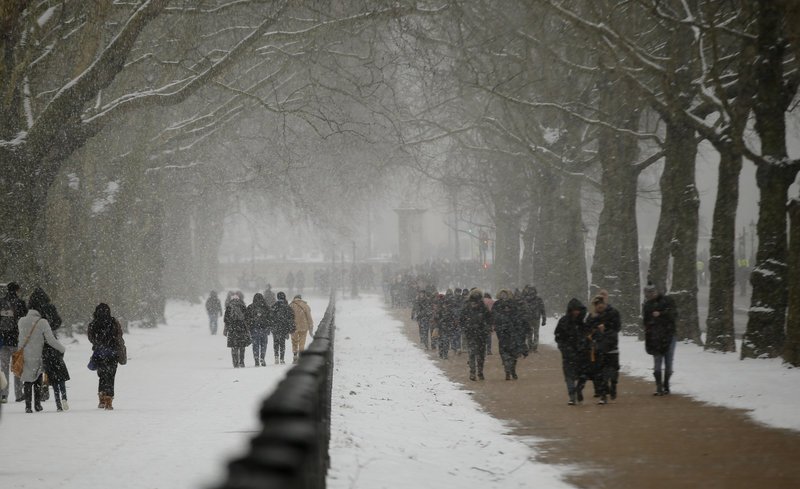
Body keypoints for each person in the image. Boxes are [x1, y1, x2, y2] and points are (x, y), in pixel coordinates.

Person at [17, 291, 66, 413]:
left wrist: (19, 352)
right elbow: (51, 340)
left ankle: (28, 406)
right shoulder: (42, 322)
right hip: (39, 354)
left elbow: (20, 339)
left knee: (27, 380)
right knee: (38, 378)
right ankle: (37, 404)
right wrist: (62, 348)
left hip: (25, 354)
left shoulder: (21, 321)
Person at [34, 287, 71, 411]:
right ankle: (59, 393)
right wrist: (51, 328)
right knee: (54, 363)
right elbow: (58, 321)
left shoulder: (33, 310)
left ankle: (40, 391)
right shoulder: (50, 307)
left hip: (37, 339)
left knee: (40, 365)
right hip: (51, 338)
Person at [88, 303, 125, 410]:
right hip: (113, 353)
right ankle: (109, 400)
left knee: (102, 375)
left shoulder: (93, 324)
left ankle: (102, 398)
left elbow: (91, 338)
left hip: (99, 354)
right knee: (111, 376)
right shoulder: (114, 322)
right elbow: (119, 336)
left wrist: (98, 344)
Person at [586, 295, 621, 404]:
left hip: (612, 346)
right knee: (601, 373)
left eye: (600, 304)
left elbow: (617, 327)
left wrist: (606, 328)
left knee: (613, 371)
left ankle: (614, 385)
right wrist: (597, 330)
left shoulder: (613, 313)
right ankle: (603, 396)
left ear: (604, 304)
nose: (599, 307)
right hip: (599, 348)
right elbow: (588, 330)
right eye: (596, 305)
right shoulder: (592, 316)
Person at [643, 284, 677, 396]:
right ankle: (659, 386)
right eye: (648, 293)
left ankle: (666, 384)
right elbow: (645, 322)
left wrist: (661, 314)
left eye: (652, 292)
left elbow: (674, 315)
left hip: (669, 336)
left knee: (668, 362)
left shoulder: (668, 301)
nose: (650, 295)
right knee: (657, 362)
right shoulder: (647, 305)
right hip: (655, 337)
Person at [554, 299, 587, 405]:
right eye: (574, 310)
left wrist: (584, 345)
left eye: (578, 310)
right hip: (567, 353)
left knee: (583, 375)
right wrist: (563, 347)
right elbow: (558, 336)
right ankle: (572, 397)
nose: (576, 312)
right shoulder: (563, 321)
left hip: (581, 353)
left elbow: (588, 335)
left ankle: (579, 390)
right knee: (569, 376)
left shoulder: (583, 323)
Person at [0, 282, 27, 403]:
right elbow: (25, 321)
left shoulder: (1, 302)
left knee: (4, 368)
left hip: (2, 341)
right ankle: (19, 394)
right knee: (17, 368)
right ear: (17, 290)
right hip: (16, 341)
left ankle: (3, 394)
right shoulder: (20, 303)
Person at [493, 289, 527, 381]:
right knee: (504, 352)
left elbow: (519, 317)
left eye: (505, 294)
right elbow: (494, 316)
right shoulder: (496, 305)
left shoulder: (513, 304)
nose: (503, 296)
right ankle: (507, 370)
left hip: (513, 334)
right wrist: (498, 325)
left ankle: (512, 370)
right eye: (502, 294)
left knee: (514, 354)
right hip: (502, 333)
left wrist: (519, 327)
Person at [459, 289, 492, 381]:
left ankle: (478, 372)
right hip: (472, 334)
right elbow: (462, 319)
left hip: (480, 334)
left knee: (478, 354)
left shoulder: (483, 307)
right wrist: (466, 327)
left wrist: (486, 327)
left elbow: (489, 318)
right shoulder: (468, 307)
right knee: (474, 354)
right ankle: (474, 372)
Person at [223, 295, 250, 368]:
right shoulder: (243, 307)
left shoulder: (229, 307)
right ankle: (242, 361)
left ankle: (235, 363)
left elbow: (226, 320)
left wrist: (226, 329)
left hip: (232, 330)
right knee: (242, 347)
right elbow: (247, 319)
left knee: (234, 346)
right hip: (241, 329)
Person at [270, 292, 295, 364]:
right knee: (282, 343)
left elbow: (270, 317)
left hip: (275, 328)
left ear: (277, 297)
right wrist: (290, 329)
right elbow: (291, 318)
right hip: (283, 328)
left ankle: (276, 357)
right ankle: (282, 358)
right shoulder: (287, 307)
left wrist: (271, 326)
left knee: (275, 343)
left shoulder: (274, 306)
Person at [246, 293, 271, 367]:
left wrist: (250, 326)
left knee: (255, 345)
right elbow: (270, 318)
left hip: (254, 328)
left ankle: (256, 359)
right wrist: (268, 326)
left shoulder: (250, 307)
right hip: (264, 328)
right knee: (264, 344)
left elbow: (247, 318)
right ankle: (262, 357)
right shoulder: (266, 307)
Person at [521, 285, 546, 354]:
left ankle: (532, 347)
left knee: (532, 333)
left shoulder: (527, 299)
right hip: (532, 318)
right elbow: (542, 309)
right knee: (533, 333)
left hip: (533, 318)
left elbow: (542, 309)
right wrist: (544, 318)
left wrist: (544, 319)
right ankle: (533, 347)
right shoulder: (535, 299)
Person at [289, 295, 314, 364]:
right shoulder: (305, 305)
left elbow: (288, 317)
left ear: (294, 298)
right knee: (302, 342)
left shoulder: (291, 305)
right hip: (304, 326)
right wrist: (311, 326)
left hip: (293, 327)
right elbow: (309, 317)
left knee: (294, 341)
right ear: (300, 298)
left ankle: (295, 355)